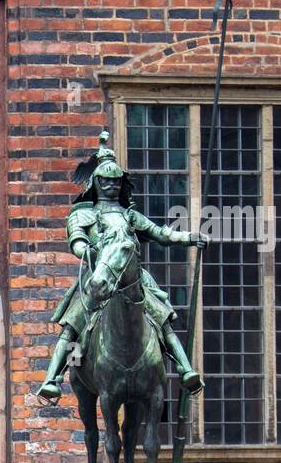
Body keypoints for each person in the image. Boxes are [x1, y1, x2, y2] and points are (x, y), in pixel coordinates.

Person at [37, 131, 205, 402]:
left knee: (161, 319)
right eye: (105, 181)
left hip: (132, 277)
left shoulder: (130, 215)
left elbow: (160, 234)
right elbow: (76, 242)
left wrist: (189, 237)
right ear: (96, 182)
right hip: (98, 275)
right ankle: (52, 378)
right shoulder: (83, 214)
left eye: (116, 181)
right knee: (72, 326)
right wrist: (88, 251)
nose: (111, 186)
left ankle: (185, 369)